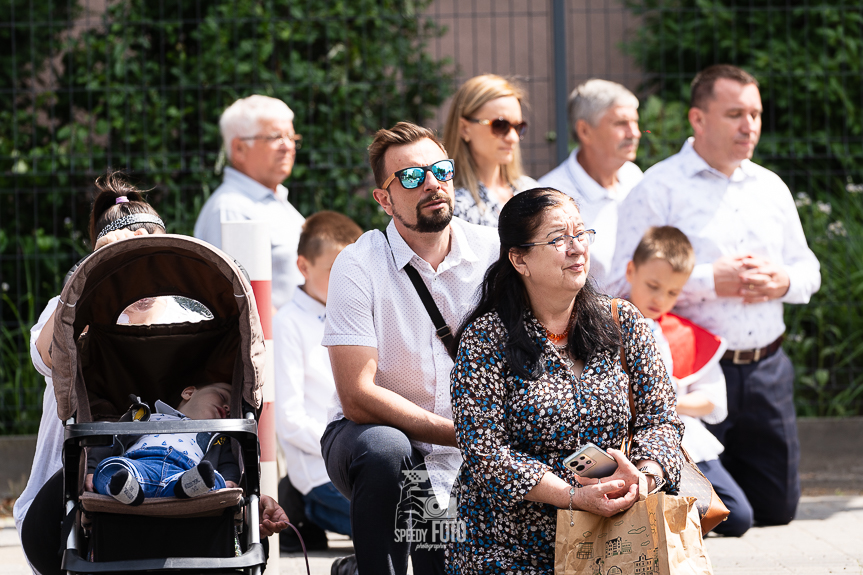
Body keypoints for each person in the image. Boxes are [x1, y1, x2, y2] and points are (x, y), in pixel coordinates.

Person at [15, 173, 288, 575]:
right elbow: (49, 355)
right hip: (83, 478)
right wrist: (92, 273)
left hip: (192, 470)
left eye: (145, 255)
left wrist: (252, 492)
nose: (135, 272)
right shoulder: (75, 309)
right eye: (125, 258)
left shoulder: (196, 317)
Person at [608, 64, 821, 526]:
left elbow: (809, 271)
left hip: (766, 369)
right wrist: (707, 280)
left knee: (777, 511)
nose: (750, 126)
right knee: (724, 513)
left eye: (756, 114)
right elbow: (620, 284)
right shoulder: (657, 188)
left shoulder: (772, 186)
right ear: (698, 119)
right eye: (735, 114)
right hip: (694, 371)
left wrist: (782, 281)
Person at [447, 188, 683, 574]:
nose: (576, 248)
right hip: (507, 546)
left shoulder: (623, 322)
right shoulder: (486, 338)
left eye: (581, 234)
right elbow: (484, 451)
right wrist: (572, 496)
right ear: (519, 258)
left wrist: (645, 476)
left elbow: (662, 421)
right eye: (558, 238)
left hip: (616, 539)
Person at [320, 122, 499, 575]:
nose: (433, 184)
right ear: (384, 198)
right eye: (413, 178)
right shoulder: (358, 265)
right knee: (386, 449)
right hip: (378, 439)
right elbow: (357, 397)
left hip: (466, 454)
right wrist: (461, 433)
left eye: (441, 170)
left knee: (439, 563)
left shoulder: (494, 253)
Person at [624, 225, 753, 537]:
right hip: (625, 438)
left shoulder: (682, 334)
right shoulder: (602, 323)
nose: (660, 299)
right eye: (653, 286)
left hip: (682, 438)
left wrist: (661, 403)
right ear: (631, 271)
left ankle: (670, 517)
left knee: (737, 515)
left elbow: (712, 400)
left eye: (672, 292)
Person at [273, 211, 362, 552]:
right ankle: (302, 505)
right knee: (404, 528)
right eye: (334, 271)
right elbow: (291, 420)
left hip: (362, 460)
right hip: (323, 468)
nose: (346, 281)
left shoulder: (358, 312)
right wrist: (347, 451)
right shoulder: (289, 323)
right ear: (303, 266)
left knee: (436, 522)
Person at [194, 95, 306, 310]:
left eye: (292, 137)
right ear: (239, 149)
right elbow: (237, 302)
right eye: (275, 137)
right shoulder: (230, 209)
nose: (288, 146)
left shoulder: (275, 199)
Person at [537, 79, 643, 287]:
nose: (635, 133)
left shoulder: (634, 177)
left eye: (635, 122)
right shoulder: (550, 198)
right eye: (621, 123)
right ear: (585, 131)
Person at [90, 382, 238, 505]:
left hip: (185, 473)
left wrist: (229, 480)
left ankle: (184, 487)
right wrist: (91, 469)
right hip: (137, 465)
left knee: (214, 479)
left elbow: (228, 462)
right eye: (222, 396)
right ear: (189, 392)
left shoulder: (217, 438)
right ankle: (126, 488)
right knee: (108, 467)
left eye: (231, 412)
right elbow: (112, 441)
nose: (227, 407)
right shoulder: (147, 417)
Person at [443, 74, 538, 227]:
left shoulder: (531, 192)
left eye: (518, 127)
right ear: (464, 129)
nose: (513, 138)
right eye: (500, 126)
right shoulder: (453, 206)